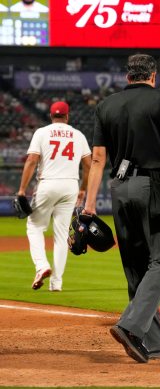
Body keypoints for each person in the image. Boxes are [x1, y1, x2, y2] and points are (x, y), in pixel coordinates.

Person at [84, 54, 160, 363]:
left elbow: (97, 159)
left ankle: (153, 342)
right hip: (153, 187)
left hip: (119, 190)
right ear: (153, 76)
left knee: (137, 267)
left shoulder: (105, 106)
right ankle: (130, 326)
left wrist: (89, 205)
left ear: (128, 77)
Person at [17, 101, 91, 291]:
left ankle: (42, 266)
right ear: (67, 116)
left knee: (34, 226)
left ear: (51, 116)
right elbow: (89, 165)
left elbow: (32, 160)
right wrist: (83, 188)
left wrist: (22, 190)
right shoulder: (78, 135)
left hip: (48, 183)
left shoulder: (41, 133)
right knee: (61, 235)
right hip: (70, 185)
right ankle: (56, 283)